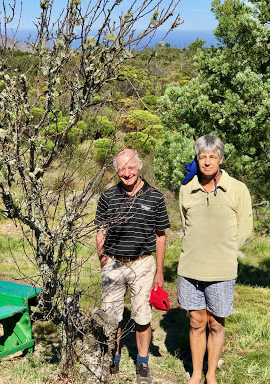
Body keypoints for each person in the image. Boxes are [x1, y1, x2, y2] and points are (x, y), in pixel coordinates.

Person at [177, 133, 253, 384]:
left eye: (212, 156)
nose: (207, 162)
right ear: (197, 159)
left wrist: (228, 250)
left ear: (220, 159)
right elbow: (186, 225)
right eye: (202, 157)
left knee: (216, 324)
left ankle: (211, 374)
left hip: (222, 269)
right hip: (190, 268)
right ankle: (196, 374)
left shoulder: (237, 189)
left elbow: (246, 228)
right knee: (197, 321)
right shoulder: (186, 188)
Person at [95, 148, 170, 384]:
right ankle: (112, 357)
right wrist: (103, 259)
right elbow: (100, 229)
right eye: (121, 169)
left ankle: (142, 362)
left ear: (140, 166)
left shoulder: (155, 197)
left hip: (143, 264)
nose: (126, 173)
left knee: (142, 316)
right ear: (116, 171)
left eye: (130, 167)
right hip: (115, 264)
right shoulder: (107, 197)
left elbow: (160, 235)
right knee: (111, 316)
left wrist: (159, 271)